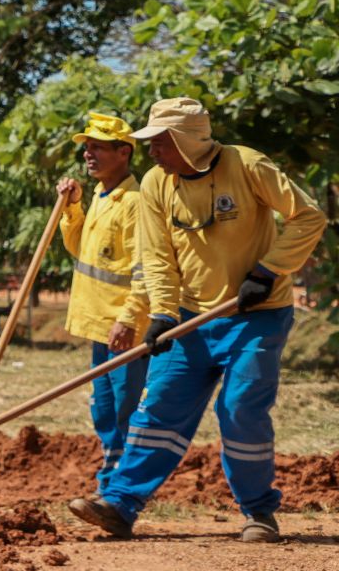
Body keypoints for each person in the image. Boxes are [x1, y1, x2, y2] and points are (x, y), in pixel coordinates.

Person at [69, 98, 326, 543]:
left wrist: (267, 272)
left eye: (160, 143)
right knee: (159, 406)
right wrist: (163, 314)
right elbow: (156, 257)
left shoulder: (247, 165)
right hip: (191, 316)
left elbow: (308, 216)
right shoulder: (155, 183)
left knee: (240, 407)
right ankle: (120, 504)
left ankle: (259, 513)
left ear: (187, 141)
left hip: (255, 315)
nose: (152, 152)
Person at [55, 113, 151, 498]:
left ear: (123, 152)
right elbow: (80, 249)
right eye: (87, 146)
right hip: (99, 326)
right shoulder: (101, 195)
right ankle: (109, 485)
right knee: (105, 411)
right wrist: (73, 207)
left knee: (127, 411)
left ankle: (121, 493)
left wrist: (129, 319)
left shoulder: (135, 203)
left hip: (123, 329)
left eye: (97, 146)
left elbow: (146, 269)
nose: (87, 153)